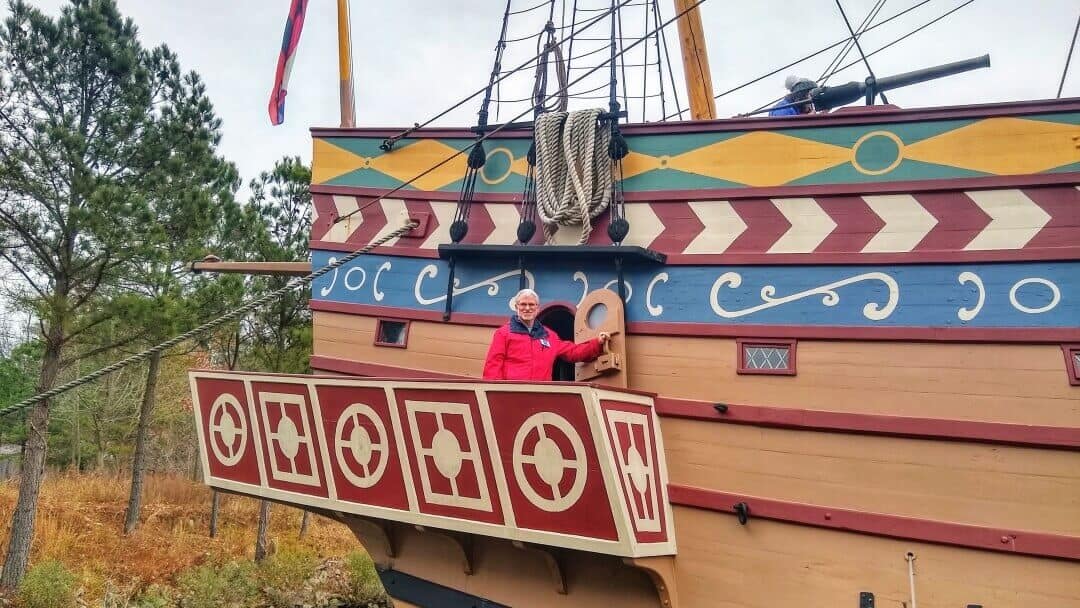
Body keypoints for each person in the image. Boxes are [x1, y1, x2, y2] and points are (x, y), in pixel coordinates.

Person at [482, 288, 610, 381]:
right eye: (523, 304)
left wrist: (597, 343)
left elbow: (573, 352)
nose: (527, 308)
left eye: (531, 304)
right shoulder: (503, 333)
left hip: (541, 394)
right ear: (517, 307)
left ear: (537, 308)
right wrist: (494, 394)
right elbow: (493, 365)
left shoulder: (549, 336)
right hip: (512, 394)